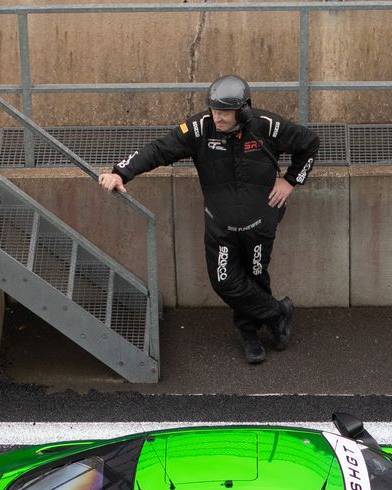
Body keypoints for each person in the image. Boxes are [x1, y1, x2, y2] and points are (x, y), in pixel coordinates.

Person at [99, 75, 321, 365]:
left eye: (224, 112)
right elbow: (159, 149)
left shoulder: (266, 126)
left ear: (243, 110)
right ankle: (278, 313)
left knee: (255, 276)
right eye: (214, 110)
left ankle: (250, 334)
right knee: (224, 281)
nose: (217, 117)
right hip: (221, 227)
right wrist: (120, 172)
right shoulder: (199, 128)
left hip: (260, 224)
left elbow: (310, 143)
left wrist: (291, 181)